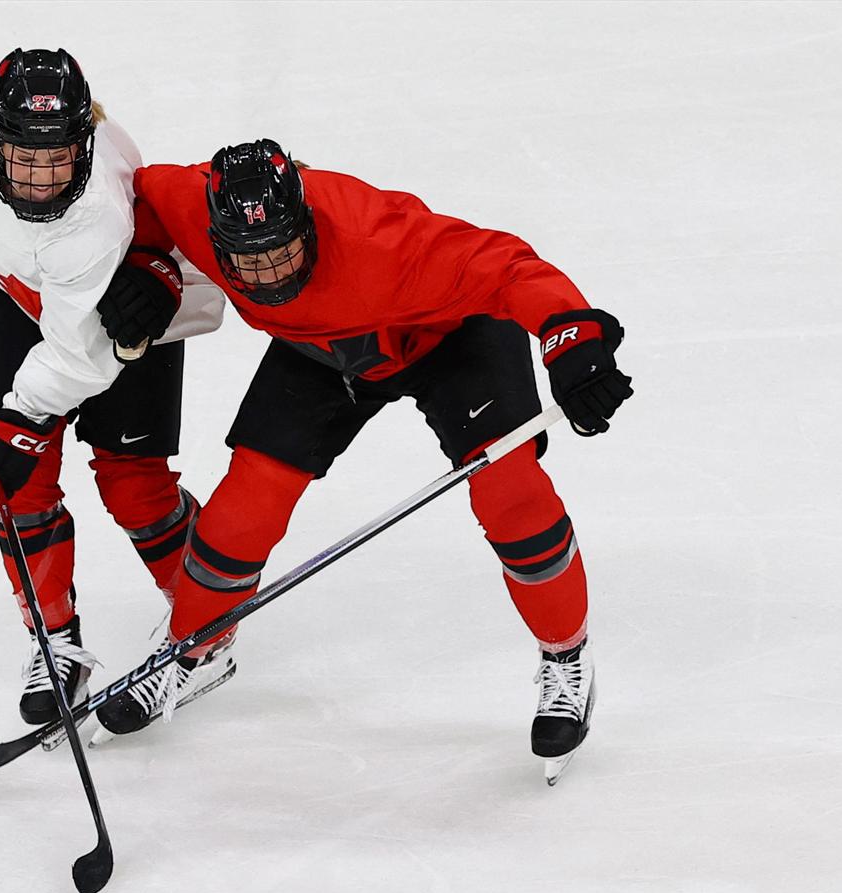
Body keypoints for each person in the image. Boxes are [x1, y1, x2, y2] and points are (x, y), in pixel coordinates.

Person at [92, 139, 632, 780]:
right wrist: (152, 265)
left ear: (308, 224)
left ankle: (566, 655)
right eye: (248, 261)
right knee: (245, 507)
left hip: (448, 338)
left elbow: (510, 266)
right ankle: (195, 649)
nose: (267, 277)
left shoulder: (384, 241)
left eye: (282, 253)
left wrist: (574, 339)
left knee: (509, 492)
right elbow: (141, 199)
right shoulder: (191, 199)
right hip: (319, 352)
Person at [0, 48, 224, 726]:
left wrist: (15, 424)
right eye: (24, 160)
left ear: (84, 146)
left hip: (124, 303)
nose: (40, 180)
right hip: (9, 286)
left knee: (135, 487)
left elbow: (82, 355)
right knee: (21, 486)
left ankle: (209, 632)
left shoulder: (94, 219)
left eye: (58, 159)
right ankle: (54, 639)